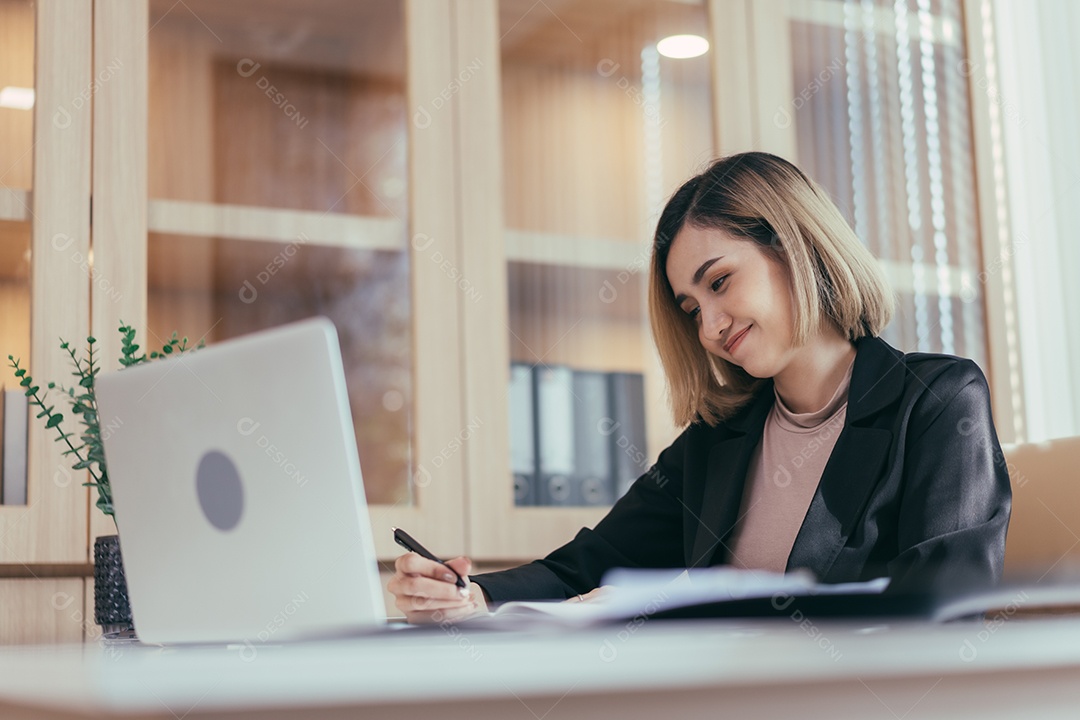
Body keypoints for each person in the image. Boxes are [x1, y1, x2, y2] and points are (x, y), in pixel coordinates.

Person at [387, 151, 1012, 624]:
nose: (709, 327)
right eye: (690, 308)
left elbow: (944, 606)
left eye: (719, 283)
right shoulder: (719, 440)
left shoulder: (935, 400)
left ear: (795, 247)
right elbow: (586, 564)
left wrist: (687, 604)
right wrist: (473, 594)